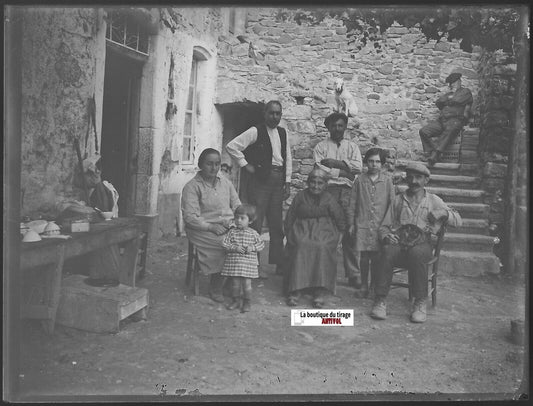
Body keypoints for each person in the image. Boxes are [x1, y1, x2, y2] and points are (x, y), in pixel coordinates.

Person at [371, 162, 462, 323]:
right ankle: (380, 300)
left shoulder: (434, 200)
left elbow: (458, 220)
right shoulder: (398, 200)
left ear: (426, 180)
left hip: (422, 245)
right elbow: (384, 226)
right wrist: (386, 236)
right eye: (411, 177)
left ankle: (420, 302)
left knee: (417, 253)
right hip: (399, 244)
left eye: (418, 178)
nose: (414, 181)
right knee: (386, 250)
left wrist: (443, 213)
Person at [226, 100, 292, 277]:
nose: (275, 116)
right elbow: (232, 146)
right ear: (265, 113)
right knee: (255, 222)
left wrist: (287, 181)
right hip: (260, 182)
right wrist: (245, 165)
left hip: (278, 181)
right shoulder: (256, 131)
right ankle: (252, 264)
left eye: (278, 113)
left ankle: (279, 264)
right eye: (271, 113)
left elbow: (288, 158)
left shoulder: (283, 133)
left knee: (277, 224)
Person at [181, 148, 241, 303]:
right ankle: (216, 286)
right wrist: (211, 227)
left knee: (244, 240)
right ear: (201, 164)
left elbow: (237, 205)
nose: (214, 168)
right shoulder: (192, 187)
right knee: (224, 244)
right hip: (201, 228)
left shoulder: (225, 183)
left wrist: (240, 220)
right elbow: (190, 217)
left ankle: (228, 282)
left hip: (226, 225)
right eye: (209, 164)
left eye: (217, 164)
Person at [313, 112, 363, 288]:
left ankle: (354, 274)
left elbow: (358, 168)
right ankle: (326, 272)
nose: (337, 129)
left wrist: (335, 162)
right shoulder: (320, 147)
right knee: (328, 230)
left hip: (349, 191)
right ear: (328, 128)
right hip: (329, 191)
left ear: (345, 127)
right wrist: (345, 170)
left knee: (350, 231)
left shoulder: (352, 147)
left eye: (340, 125)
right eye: (333, 126)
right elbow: (320, 170)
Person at [284, 168, 345, 308]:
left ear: (325, 184)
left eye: (320, 183)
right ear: (308, 182)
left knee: (322, 246)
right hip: (302, 228)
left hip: (324, 231)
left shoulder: (329, 199)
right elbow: (290, 216)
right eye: (313, 182)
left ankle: (320, 290)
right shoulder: (300, 196)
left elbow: (340, 219)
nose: (316, 186)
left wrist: (340, 238)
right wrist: (288, 234)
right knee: (300, 244)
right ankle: (295, 289)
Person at [347, 148, 395, 298]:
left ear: (382, 164)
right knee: (364, 257)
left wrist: (388, 226)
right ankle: (363, 286)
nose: (374, 165)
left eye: (377, 162)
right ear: (366, 162)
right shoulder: (360, 180)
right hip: (363, 224)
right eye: (371, 161)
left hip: (380, 225)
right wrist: (351, 223)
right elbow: (352, 203)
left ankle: (374, 286)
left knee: (377, 257)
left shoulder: (387, 181)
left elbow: (391, 203)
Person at [419, 72, 473, 166]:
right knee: (423, 131)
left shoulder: (465, 92)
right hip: (442, 120)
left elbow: (458, 100)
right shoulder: (449, 94)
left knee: (450, 129)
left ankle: (435, 155)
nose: (452, 85)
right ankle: (432, 151)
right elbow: (439, 102)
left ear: (459, 82)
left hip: (455, 120)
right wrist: (451, 98)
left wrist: (449, 99)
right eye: (451, 83)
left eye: (454, 82)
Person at [221, 204, 265, 313]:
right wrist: (234, 247)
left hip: (248, 264)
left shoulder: (253, 233)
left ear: (250, 221)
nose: (239, 221)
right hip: (235, 263)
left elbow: (261, 245)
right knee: (235, 284)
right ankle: (235, 301)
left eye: (242, 218)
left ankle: (247, 302)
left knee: (247, 284)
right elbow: (224, 244)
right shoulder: (231, 232)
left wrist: (252, 247)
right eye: (237, 218)